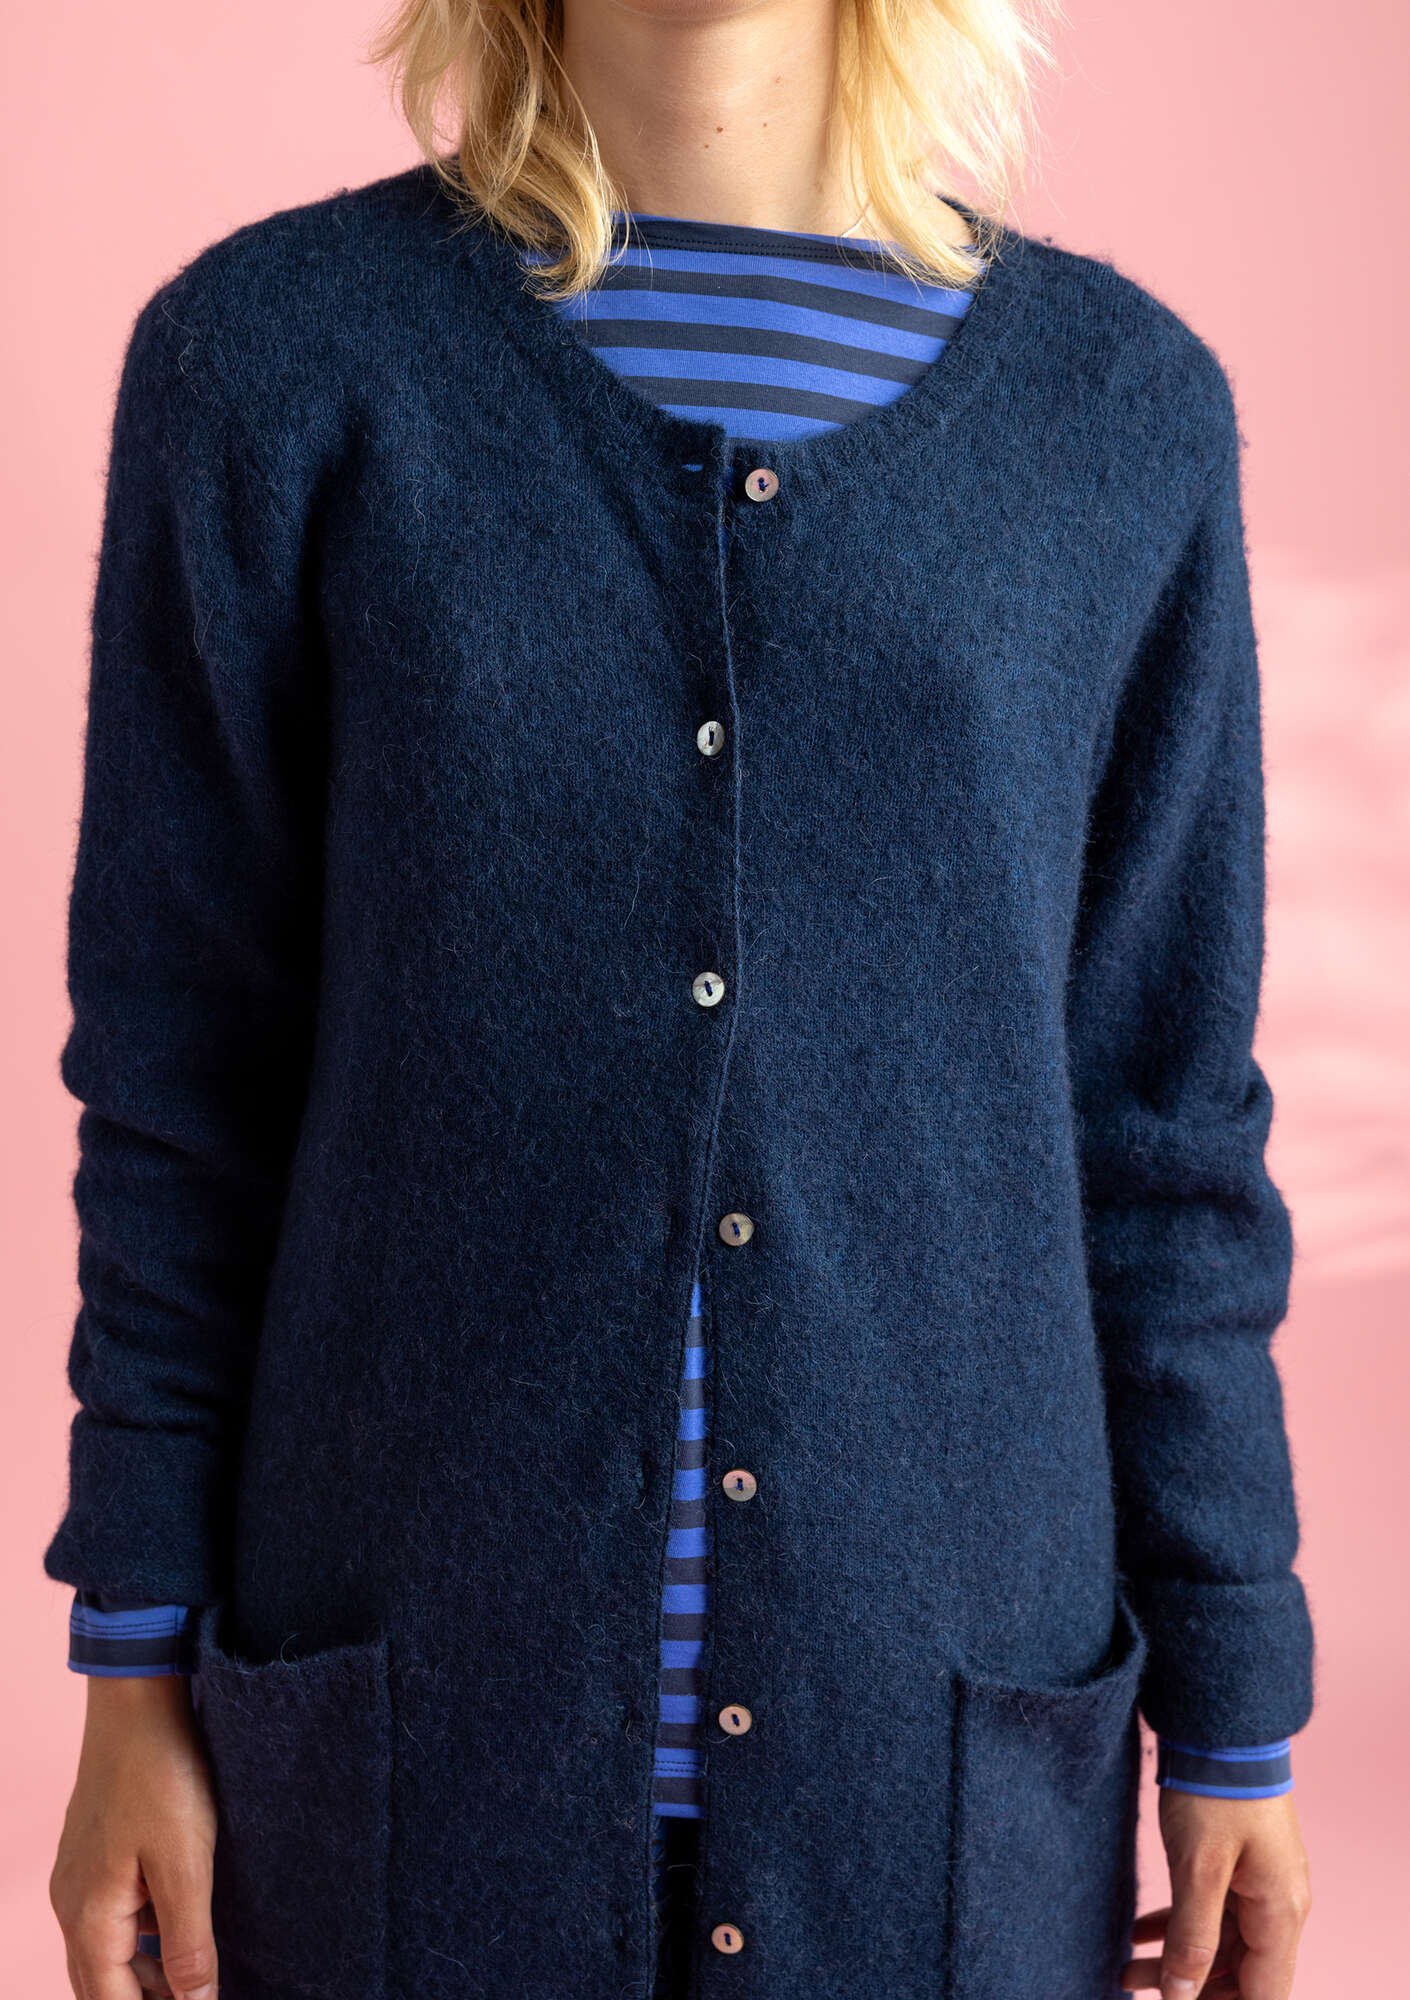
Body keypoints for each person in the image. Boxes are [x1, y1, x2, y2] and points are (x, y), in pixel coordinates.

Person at [43, 0, 1316, 1996]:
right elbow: (182, 1078)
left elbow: (1159, 1119)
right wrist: (131, 1657)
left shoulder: (1116, 416)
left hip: (934, 1775)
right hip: (414, 1764)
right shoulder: (276, 363)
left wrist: (1235, 1696)